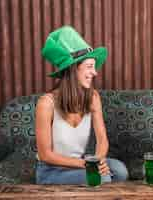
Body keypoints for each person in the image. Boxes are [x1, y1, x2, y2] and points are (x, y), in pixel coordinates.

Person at [35, 26, 128, 184]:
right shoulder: (46, 103)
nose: (95, 73)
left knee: (120, 171)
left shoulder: (93, 97)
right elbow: (45, 155)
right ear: (73, 69)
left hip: (80, 164)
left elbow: (102, 139)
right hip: (51, 170)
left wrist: (98, 160)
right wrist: (86, 164)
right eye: (90, 66)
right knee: (103, 177)